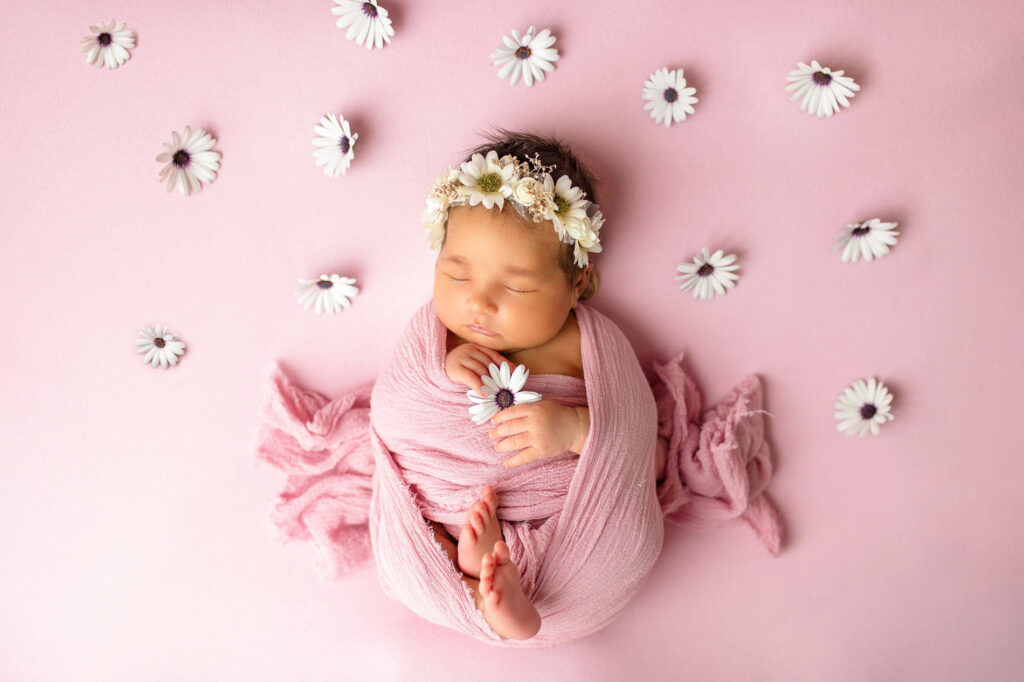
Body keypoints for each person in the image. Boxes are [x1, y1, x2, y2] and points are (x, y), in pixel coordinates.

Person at [419, 129, 605, 639]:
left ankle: (503, 589)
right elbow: (402, 413)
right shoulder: (443, 340)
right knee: (425, 527)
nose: (478, 304)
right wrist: (443, 370)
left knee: (575, 533)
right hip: (454, 501)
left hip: (557, 517)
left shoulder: (588, 349)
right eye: (457, 276)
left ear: (578, 285)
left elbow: (638, 451)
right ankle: (484, 590)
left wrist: (573, 430)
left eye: (518, 286)